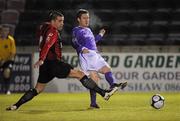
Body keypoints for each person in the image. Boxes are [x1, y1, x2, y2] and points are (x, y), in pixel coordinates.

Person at [6, 10, 120, 111]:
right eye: (60, 21)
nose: (62, 23)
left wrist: (42, 60)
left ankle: (16, 105)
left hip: (45, 66)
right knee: (80, 74)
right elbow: (47, 44)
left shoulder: (44, 27)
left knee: (38, 89)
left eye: (63, 21)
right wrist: (41, 58)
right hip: (54, 63)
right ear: (53, 21)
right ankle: (103, 93)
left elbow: (42, 37)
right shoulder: (53, 31)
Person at [71, 9, 127, 109]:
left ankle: (113, 86)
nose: (87, 20)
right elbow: (73, 42)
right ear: (78, 19)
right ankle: (93, 103)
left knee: (107, 69)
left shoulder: (88, 30)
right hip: (86, 56)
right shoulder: (77, 30)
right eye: (84, 18)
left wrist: (100, 35)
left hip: (95, 54)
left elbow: (93, 42)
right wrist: (81, 48)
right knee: (94, 80)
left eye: (88, 18)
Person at [0, 25, 16, 95]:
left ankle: (7, 90)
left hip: (8, 60)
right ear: (1, 31)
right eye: (4, 30)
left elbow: (12, 54)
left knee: (7, 72)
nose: (5, 32)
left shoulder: (11, 40)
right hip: (0, 60)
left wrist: (4, 61)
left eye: (7, 30)